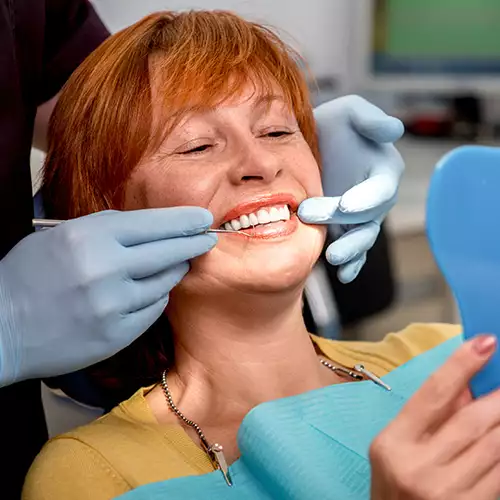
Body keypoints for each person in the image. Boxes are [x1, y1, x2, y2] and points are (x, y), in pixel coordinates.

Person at [21, 11, 498, 500]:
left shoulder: (451, 356)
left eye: (276, 132)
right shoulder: (92, 474)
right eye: (197, 145)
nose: (261, 164)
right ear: (107, 215)